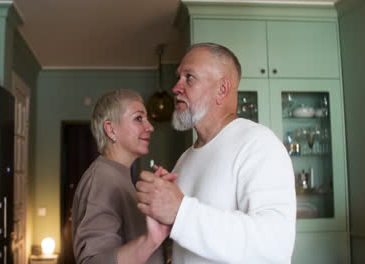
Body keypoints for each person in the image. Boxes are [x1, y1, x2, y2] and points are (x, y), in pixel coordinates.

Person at [136, 43, 297, 264]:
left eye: (189, 77)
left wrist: (180, 212)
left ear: (222, 90)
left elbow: (274, 246)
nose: (176, 87)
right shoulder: (184, 160)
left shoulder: (259, 144)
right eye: (178, 77)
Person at [72, 89, 173, 264]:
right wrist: (151, 241)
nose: (150, 127)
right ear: (111, 129)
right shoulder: (102, 179)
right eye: (139, 118)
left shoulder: (118, 176)